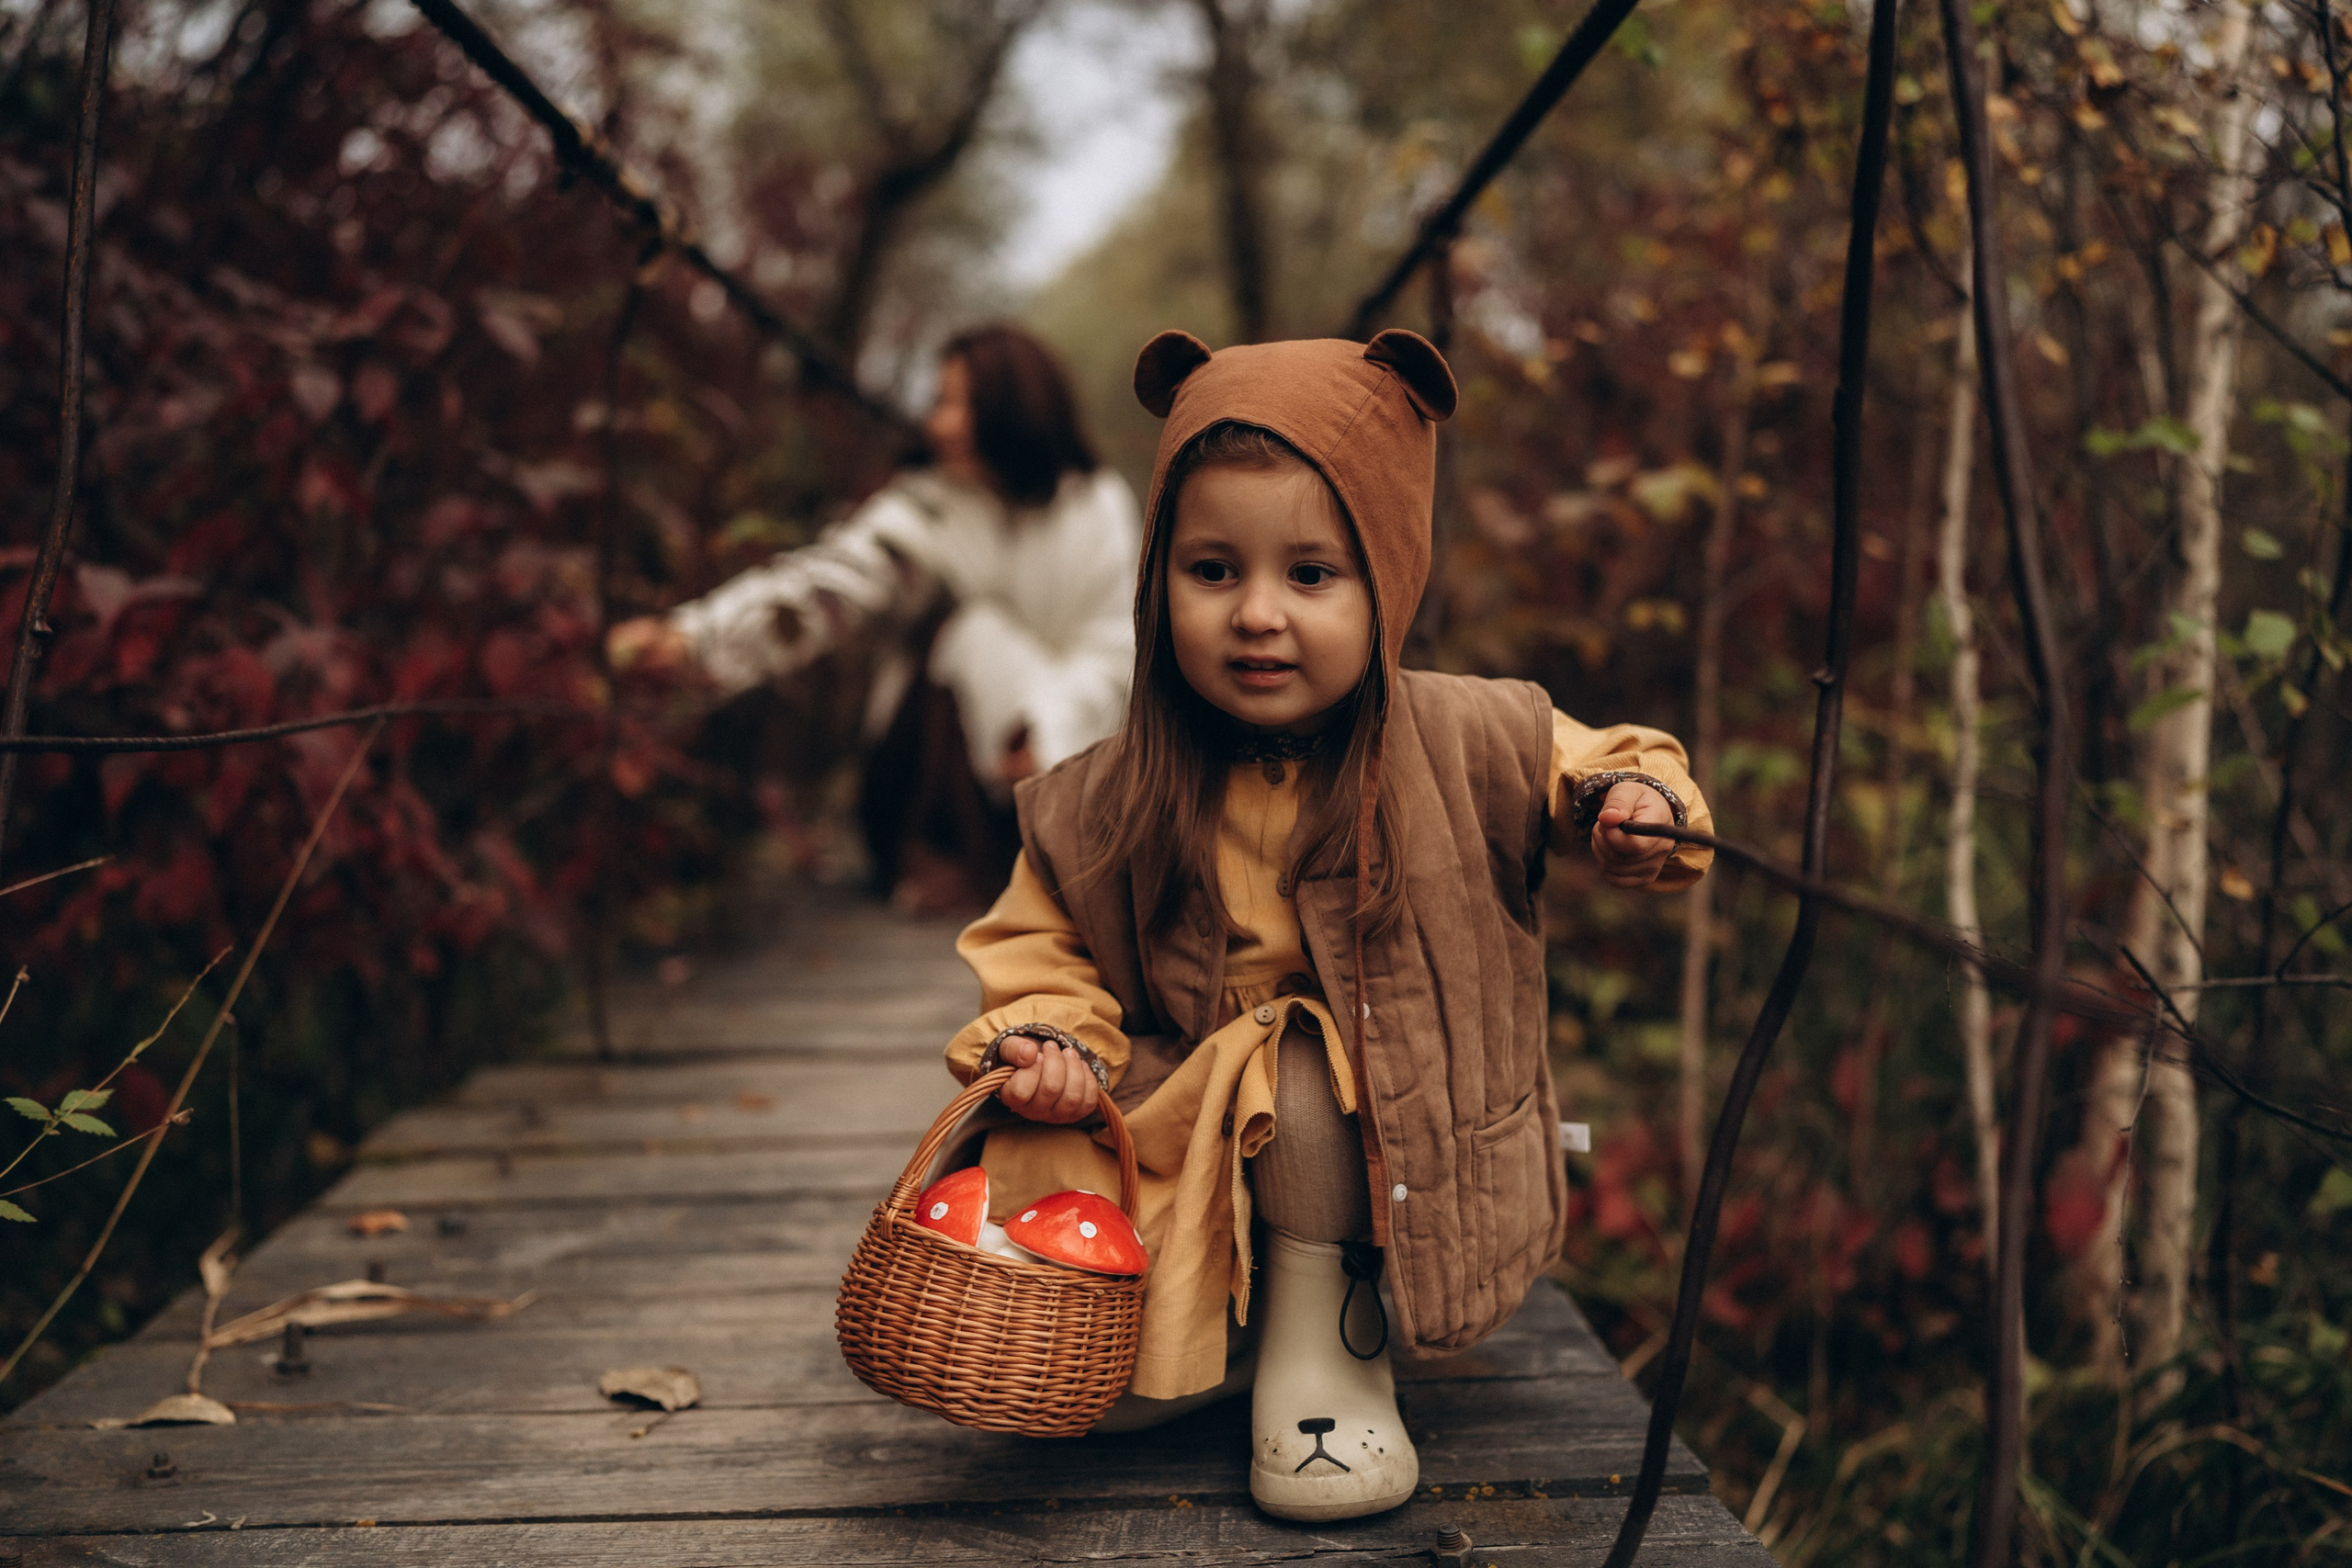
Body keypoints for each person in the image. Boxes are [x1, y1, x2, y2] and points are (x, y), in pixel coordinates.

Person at [939, 329, 1713, 1521]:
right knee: (1033, 1144)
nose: (1257, 615)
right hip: (1188, 1116)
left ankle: (1326, 1346)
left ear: (1387, 579)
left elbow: (1605, 761)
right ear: (1159, 579)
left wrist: (1634, 805)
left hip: (1378, 1121)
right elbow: (1039, 943)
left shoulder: (1468, 735)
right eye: (1212, 570)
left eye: (1311, 574)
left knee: (1296, 1065)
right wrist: (1053, 1036)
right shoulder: (1111, 789)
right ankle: (1219, 1326)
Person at [614, 324, 1140, 912]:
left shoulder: (1098, 508)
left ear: (1011, 407)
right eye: (937, 402)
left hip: (1075, 783)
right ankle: (955, 862)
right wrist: (694, 638)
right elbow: (827, 590)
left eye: (954, 402)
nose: (937, 423)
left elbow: (1116, 651)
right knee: (968, 632)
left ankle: (1039, 862)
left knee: (990, 638)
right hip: (931, 790)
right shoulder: (925, 511)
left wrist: (1048, 735)